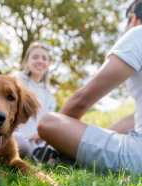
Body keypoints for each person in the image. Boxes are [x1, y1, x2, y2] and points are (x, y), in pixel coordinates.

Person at [37, 0, 142, 173]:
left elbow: (81, 100)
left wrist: (53, 141)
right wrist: (96, 138)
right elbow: (134, 119)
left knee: (49, 121)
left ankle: (56, 156)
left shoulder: (138, 34)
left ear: (132, 18)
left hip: (138, 157)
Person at [12, 41, 57, 161]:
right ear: (27, 61)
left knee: (59, 143)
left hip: (38, 139)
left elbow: (48, 122)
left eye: (44, 58)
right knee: (20, 142)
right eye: (35, 57)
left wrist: (41, 134)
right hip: (16, 134)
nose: (40, 61)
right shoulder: (16, 80)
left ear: (48, 64)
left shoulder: (49, 94)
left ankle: (42, 154)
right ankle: (37, 155)